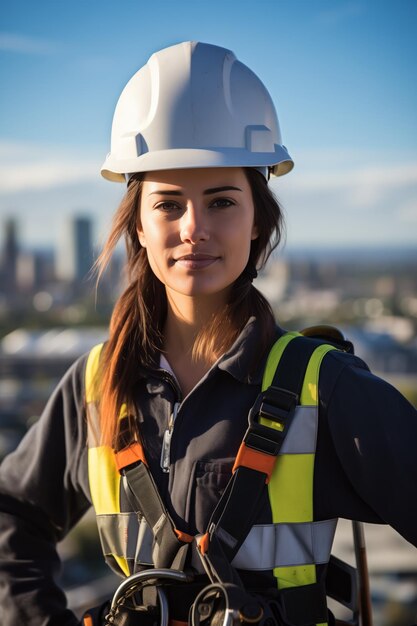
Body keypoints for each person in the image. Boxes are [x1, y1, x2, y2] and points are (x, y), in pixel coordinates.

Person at [0, 40, 416, 626]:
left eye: (221, 200)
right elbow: (12, 512)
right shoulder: (95, 386)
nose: (194, 228)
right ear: (138, 226)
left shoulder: (325, 387)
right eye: (169, 205)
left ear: (257, 220)